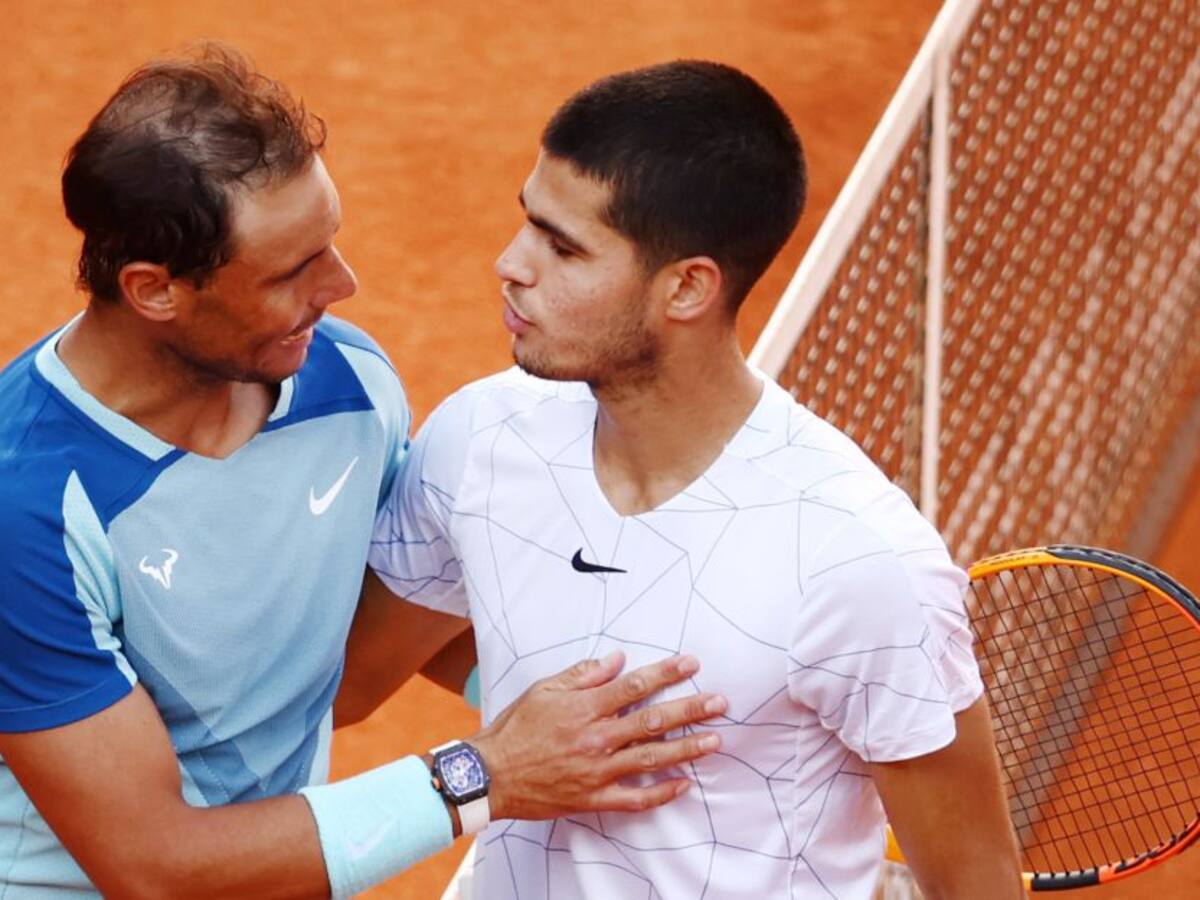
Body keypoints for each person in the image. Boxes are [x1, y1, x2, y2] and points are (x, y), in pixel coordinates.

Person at [0, 44, 726, 899]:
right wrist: (488, 772)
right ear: (155, 290)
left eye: (330, 246)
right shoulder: (27, 509)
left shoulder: (342, 382)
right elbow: (153, 865)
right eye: (292, 271)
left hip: (279, 867)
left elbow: (390, 618)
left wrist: (614, 726)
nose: (342, 286)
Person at [363, 60, 1024, 898]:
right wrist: (541, 737)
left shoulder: (859, 563)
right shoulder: (483, 438)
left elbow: (978, 884)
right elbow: (353, 681)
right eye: (529, 223)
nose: (511, 263)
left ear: (686, 288)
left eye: (564, 248)